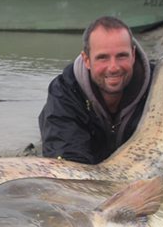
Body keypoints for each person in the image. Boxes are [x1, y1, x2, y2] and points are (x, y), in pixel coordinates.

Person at [38, 16, 153, 164]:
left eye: (121, 56)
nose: (113, 67)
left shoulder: (159, 86)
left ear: (133, 55)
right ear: (86, 60)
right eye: (103, 58)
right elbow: (68, 162)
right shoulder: (64, 92)